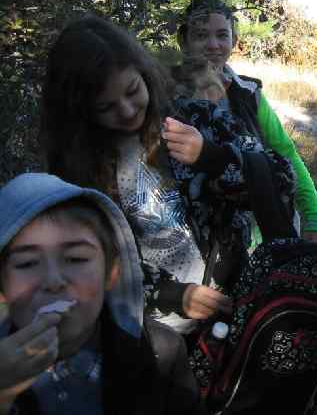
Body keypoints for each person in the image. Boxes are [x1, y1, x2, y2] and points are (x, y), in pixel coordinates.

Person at [40, 16, 297, 336]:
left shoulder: (193, 116)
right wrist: (170, 294)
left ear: (144, 74)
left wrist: (212, 157)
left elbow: (282, 177)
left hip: (236, 306)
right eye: (106, 107)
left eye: (133, 91)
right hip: (155, 332)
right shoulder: (78, 169)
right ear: (80, 111)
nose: (127, 110)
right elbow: (90, 260)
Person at [0, 172, 206, 415]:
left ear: (111, 273)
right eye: (27, 263)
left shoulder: (161, 352)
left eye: (75, 258)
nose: (53, 281)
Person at [176, 0, 317, 245]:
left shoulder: (249, 94)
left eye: (222, 35)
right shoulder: (165, 94)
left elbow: (285, 151)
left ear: (234, 41)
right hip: (188, 238)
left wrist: (314, 214)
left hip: (252, 239)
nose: (213, 45)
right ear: (183, 41)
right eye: (201, 35)